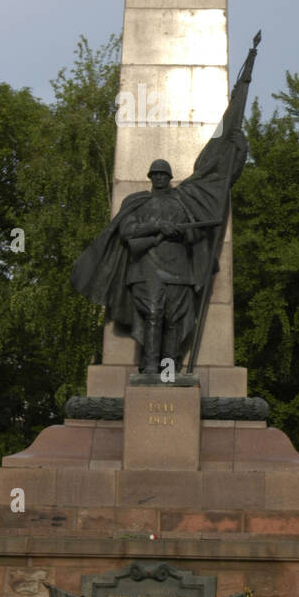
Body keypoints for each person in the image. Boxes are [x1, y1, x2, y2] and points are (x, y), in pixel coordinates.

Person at [71, 33, 260, 375]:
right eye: (155, 175)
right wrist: (158, 227)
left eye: (163, 175)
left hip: (179, 270)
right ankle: (148, 371)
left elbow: (212, 195)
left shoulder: (183, 198)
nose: (159, 179)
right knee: (153, 317)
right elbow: (128, 232)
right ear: (150, 177)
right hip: (146, 270)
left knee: (175, 321)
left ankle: (169, 373)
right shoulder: (137, 201)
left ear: (169, 177)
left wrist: (237, 147)